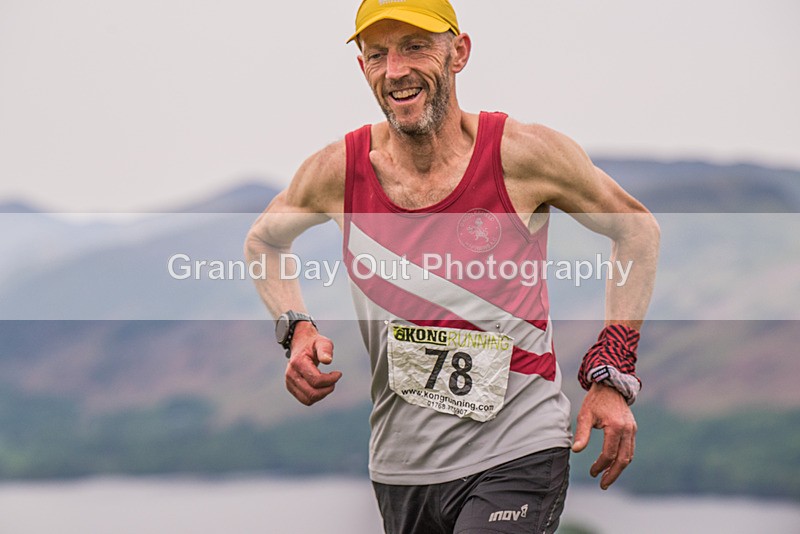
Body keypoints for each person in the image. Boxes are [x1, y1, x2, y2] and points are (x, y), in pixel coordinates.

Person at [245, 1, 660, 532]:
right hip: (402, 468)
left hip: (519, 448)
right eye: (378, 54)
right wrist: (295, 327)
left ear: (458, 52)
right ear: (363, 69)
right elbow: (263, 242)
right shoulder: (337, 171)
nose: (395, 69)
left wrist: (614, 371)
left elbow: (636, 228)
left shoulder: (521, 154)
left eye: (415, 46)